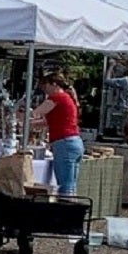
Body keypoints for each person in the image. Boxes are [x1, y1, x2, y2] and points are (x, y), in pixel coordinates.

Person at [40, 66, 84, 199]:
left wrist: (19, 116)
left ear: (54, 84)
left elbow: (36, 113)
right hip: (74, 142)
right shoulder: (66, 98)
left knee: (65, 187)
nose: (44, 90)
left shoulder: (56, 98)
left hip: (64, 143)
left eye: (45, 86)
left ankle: (66, 208)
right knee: (70, 186)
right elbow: (46, 122)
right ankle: (70, 207)